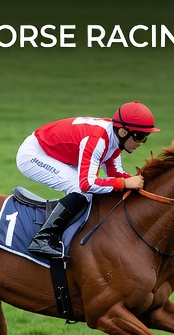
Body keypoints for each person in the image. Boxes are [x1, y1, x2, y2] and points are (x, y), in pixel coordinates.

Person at [16, 101, 159, 260]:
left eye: (145, 138)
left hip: (56, 154)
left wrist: (141, 184)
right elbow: (87, 184)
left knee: (89, 193)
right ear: (124, 132)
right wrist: (125, 183)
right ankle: (42, 239)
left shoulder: (114, 138)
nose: (141, 143)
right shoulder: (98, 140)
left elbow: (114, 172)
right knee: (80, 190)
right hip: (34, 155)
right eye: (139, 137)